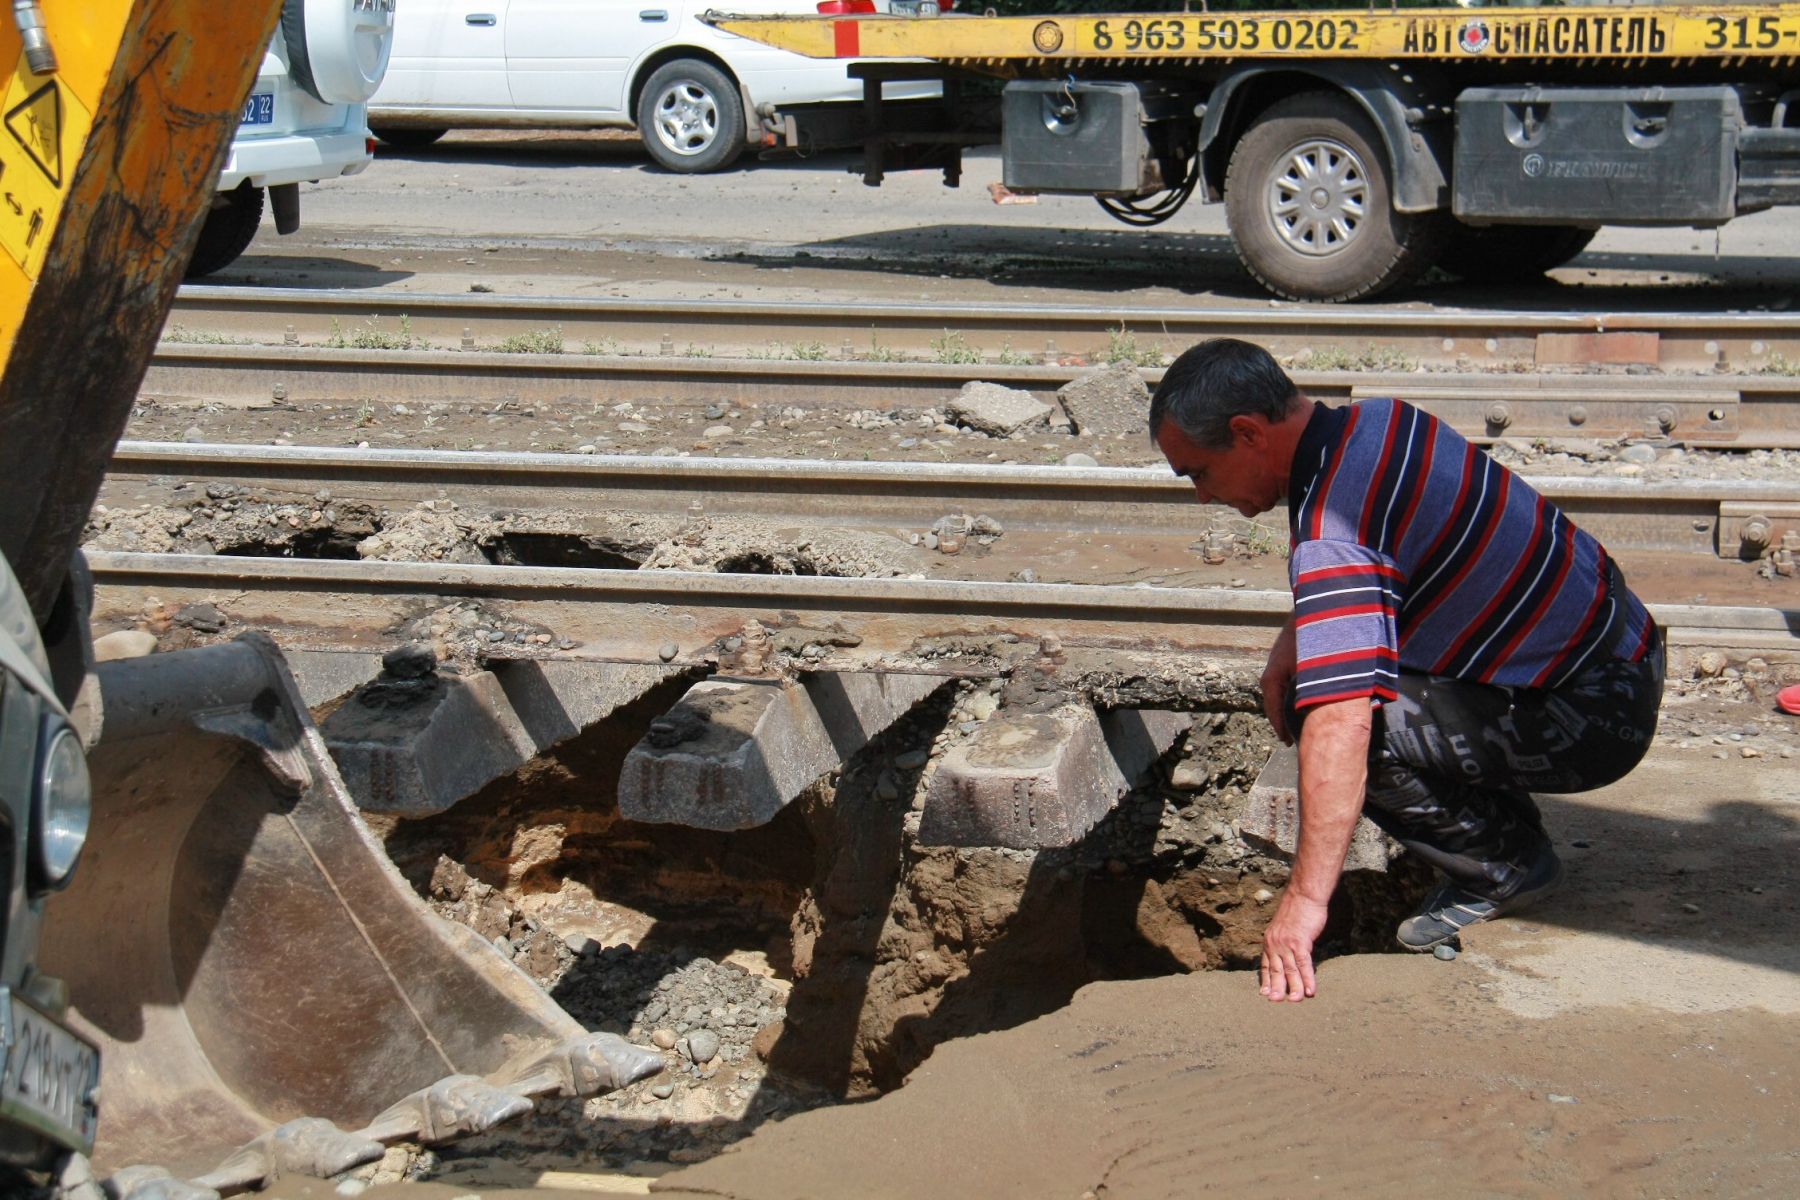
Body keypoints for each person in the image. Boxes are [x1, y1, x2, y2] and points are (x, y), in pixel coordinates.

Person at [1149, 338, 1664, 1003]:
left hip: (1596, 715)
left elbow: (1343, 723)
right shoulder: (1378, 423)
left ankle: (1503, 864)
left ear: (1248, 433)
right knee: (1337, 684)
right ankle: (1500, 825)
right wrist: (1294, 636)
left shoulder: (1337, 525)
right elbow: (1378, 561)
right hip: (1625, 649)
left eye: (1197, 472)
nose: (1201, 496)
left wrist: (1305, 904)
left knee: (1338, 721)